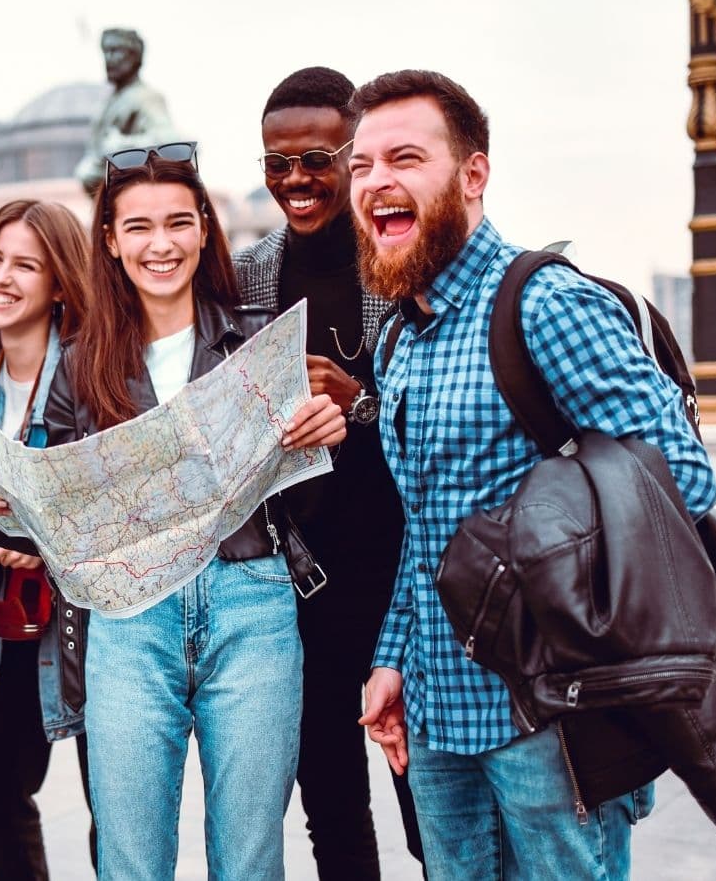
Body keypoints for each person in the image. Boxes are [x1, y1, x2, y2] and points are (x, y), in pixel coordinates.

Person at [349, 69, 716, 880]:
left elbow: (680, 485)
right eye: (362, 166)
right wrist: (391, 660)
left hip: (553, 715)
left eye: (405, 158)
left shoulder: (542, 304)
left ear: (473, 175)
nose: (377, 182)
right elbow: (426, 529)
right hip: (441, 715)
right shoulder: (398, 340)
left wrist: (533, 568)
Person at [0, 144, 346, 880]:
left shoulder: (262, 336)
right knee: (129, 860)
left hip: (251, 601)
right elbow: (61, 514)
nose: (159, 245)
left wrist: (328, 430)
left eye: (176, 223)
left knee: (251, 859)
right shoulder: (80, 358)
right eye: (137, 227)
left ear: (204, 227)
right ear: (109, 239)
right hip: (130, 619)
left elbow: (305, 496)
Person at [231, 66, 424, 879]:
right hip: (298, 584)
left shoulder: (406, 256)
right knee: (332, 807)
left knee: (431, 799)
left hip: (406, 578)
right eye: (277, 163)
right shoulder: (244, 277)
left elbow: (449, 409)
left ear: (355, 155)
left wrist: (361, 405)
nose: (295, 181)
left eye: (316, 158)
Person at [0, 199, 98, 879]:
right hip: (12, 624)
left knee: (121, 820)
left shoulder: (93, 376)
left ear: (61, 284)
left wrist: (45, 537)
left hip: (97, 630)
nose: (1, 277)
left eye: (26, 265)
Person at [73, 28, 175, 197]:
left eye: (116, 51)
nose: (109, 59)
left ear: (134, 57)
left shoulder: (145, 97)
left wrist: (123, 145)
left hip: (134, 194)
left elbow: (169, 141)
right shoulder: (109, 102)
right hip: (107, 198)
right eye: (105, 52)